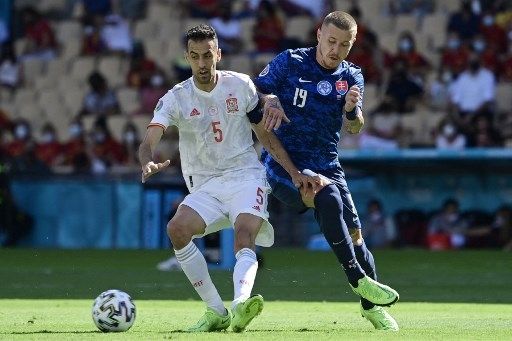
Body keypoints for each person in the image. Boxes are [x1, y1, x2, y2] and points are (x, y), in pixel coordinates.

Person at [138, 24, 316, 333]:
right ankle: (215, 311)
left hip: (245, 175)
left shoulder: (241, 86)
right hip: (205, 185)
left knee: (243, 234)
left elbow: (267, 138)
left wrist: (293, 172)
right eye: (195, 57)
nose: (202, 64)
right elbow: (149, 140)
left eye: (208, 55)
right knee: (177, 230)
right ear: (187, 58)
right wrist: (147, 161)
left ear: (218, 54)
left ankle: (240, 305)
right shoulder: (177, 97)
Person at [253, 11, 400, 331]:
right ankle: (356, 279)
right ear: (319, 34)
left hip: (327, 164)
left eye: (344, 45)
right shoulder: (290, 61)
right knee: (326, 193)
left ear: (352, 45)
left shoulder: (351, 77)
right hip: (283, 165)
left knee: (358, 238)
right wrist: (272, 99)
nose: (336, 50)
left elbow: (355, 127)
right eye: (331, 41)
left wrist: (351, 110)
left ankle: (372, 308)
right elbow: (257, 89)